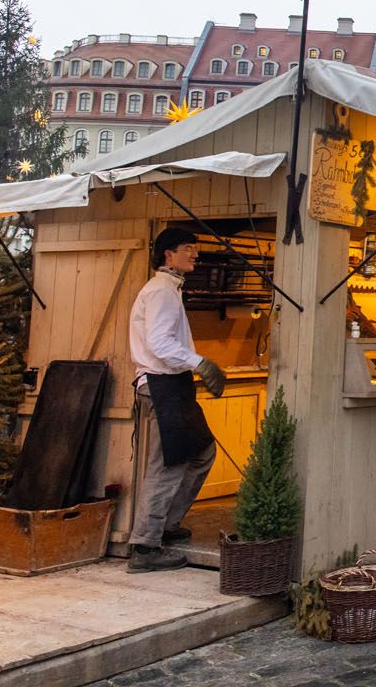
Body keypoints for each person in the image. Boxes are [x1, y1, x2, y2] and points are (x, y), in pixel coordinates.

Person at [127, 228, 225, 573]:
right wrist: (201, 363)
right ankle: (144, 546)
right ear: (169, 254)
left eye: (195, 249)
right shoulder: (161, 292)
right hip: (162, 385)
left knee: (201, 454)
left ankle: (166, 524)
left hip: (172, 385)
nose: (195, 254)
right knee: (167, 466)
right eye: (188, 249)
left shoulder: (170, 289)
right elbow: (159, 344)